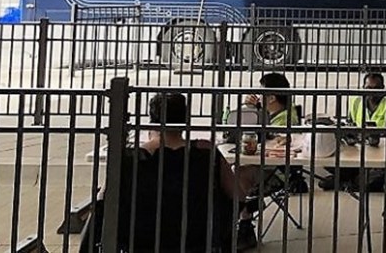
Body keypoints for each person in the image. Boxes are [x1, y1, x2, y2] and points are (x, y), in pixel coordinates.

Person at [81, 93, 238, 252]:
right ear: (185, 120)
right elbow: (237, 194)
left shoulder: (132, 158)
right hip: (196, 241)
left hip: (141, 242)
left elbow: (103, 200)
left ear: (152, 121)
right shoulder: (206, 153)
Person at [235, 73, 304, 250]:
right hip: (262, 166)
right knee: (232, 171)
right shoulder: (270, 113)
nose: (258, 95)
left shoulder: (285, 120)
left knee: (238, 175)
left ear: (272, 97)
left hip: (277, 172)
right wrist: (251, 109)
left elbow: (267, 144)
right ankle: (245, 211)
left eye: (261, 92)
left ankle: (245, 220)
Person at [318, 72, 386, 192]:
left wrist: (379, 135)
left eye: (376, 88)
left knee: (378, 175)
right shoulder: (356, 103)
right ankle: (352, 181)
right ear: (363, 88)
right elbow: (349, 125)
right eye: (368, 88)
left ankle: (345, 182)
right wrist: (349, 134)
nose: (372, 92)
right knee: (326, 160)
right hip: (357, 155)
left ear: (383, 89)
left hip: (380, 159)